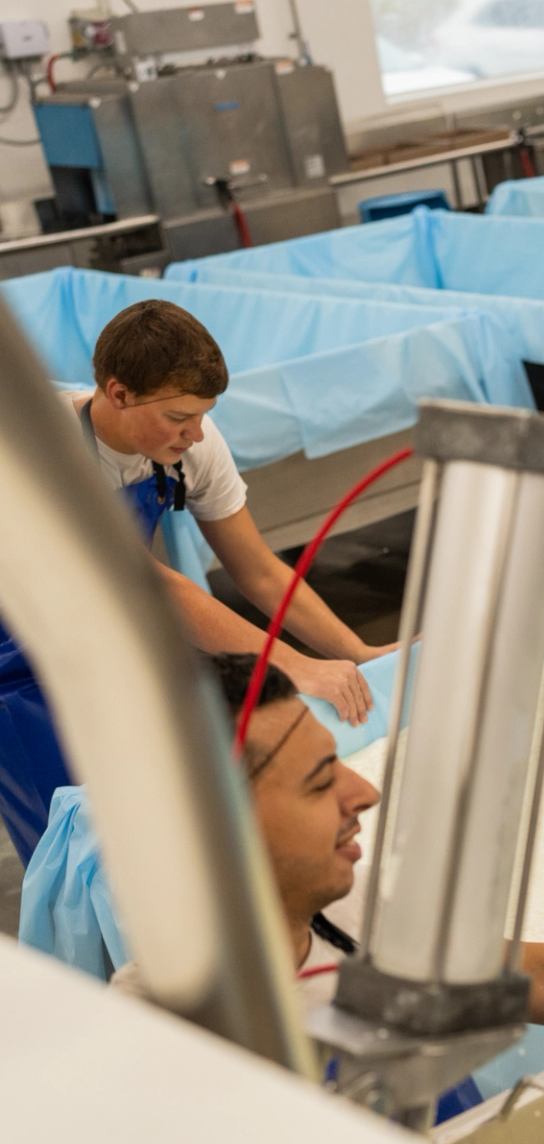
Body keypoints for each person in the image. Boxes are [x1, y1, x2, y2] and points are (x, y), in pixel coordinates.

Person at [112, 654, 544, 1033]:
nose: (365, 792)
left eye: (339, 764)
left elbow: (532, 974)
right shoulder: (160, 1035)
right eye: (320, 782)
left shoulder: (349, 909)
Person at [0, 301, 392, 863]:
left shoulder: (192, 446)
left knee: (161, 821)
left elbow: (259, 571)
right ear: (118, 393)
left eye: (204, 415)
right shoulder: (45, 450)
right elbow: (148, 585)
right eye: (179, 416)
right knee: (77, 844)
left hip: (102, 635)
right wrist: (292, 665)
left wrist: (357, 653)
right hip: (14, 666)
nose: (196, 433)